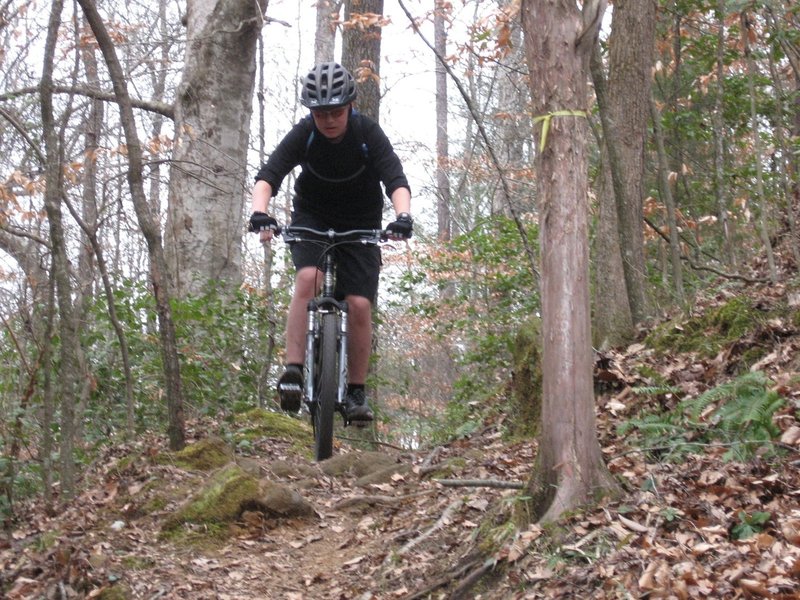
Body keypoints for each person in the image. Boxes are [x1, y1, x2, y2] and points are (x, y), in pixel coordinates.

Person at [249, 61, 413, 423]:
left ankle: (356, 392)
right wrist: (260, 211)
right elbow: (268, 176)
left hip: (360, 222)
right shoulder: (304, 133)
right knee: (308, 278)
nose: (328, 120)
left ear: (350, 106)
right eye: (321, 113)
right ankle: (293, 372)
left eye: (336, 112)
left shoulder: (367, 132)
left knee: (358, 303)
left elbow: (395, 180)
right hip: (313, 217)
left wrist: (402, 217)